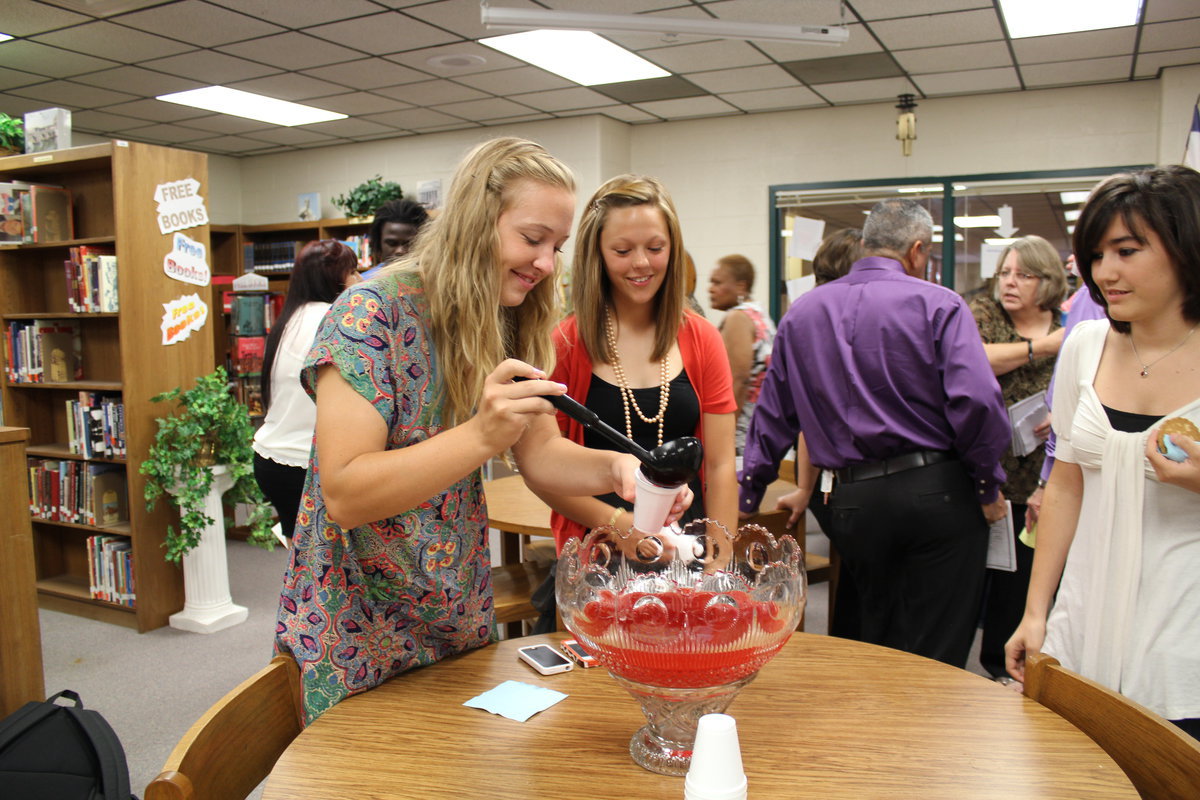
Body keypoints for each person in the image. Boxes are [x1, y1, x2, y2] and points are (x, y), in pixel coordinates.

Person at [273, 139, 688, 724]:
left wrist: (617, 469)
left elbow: (541, 454)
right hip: (354, 626)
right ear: (475, 222)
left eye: (557, 246)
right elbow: (344, 493)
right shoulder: (370, 315)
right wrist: (481, 436)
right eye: (531, 239)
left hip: (453, 612)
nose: (546, 263)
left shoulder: (509, 315)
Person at [739, 198, 1010, 668]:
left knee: (872, 636)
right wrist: (987, 482)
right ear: (918, 250)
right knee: (935, 645)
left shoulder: (802, 314)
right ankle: (924, 735)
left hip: (852, 503)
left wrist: (747, 497)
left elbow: (773, 416)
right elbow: (978, 402)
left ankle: (876, 735)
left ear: (865, 244)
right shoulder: (940, 304)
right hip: (937, 495)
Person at [1005, 165, 1200, 739]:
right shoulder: (1087, 347)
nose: (1105, 273)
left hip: (1183, 627)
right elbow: (1066, 484)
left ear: (1188, 247)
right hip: (1085, 617)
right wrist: (1036, 612)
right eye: (1095, 255)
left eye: (1127, 250)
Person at [538, 174, 738, 551]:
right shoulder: (565, 343)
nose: (642, 263)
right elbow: (545, 472)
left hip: (684, 549)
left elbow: (722, 466)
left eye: (655, 247)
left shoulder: (702, 337)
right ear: (597, 253)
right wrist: (622, 527)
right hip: (597, 552)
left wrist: (720, 558)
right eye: (623, 250)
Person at [968, 235, 1067, 681]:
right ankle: (984, 670)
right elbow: (974, 361)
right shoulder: (985, 315)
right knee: (980, 581)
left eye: (1023, 275)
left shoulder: (1069, 322)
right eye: (1005, 273)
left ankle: (1016, 672)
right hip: (987, 473)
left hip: (1042, 481)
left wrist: (1062, 415)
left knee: (1025, 581)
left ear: (1046, 281)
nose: (1010, 283)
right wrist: (1042, 348)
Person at [252, 240, 361, 540]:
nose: (359, 281)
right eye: (352, 272)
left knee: (300, 559)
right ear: (332, 278)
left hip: (270, 458)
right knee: (328, 565)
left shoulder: (290, 317)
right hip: (304, 465)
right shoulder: (336, 317)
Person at [708, 254, 775, 456]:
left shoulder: (738, 317)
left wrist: (725, 432)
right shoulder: (758, 312)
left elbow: (739, 379)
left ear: (740, 286)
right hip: (762, 424)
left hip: (741, 428)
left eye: (717, 282)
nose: (710, 288)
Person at [360, 197, 429, 278]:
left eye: (409, 244)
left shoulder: (435, 283)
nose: (400, 251)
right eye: (392, 243)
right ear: (379, 244)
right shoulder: (362, 286)